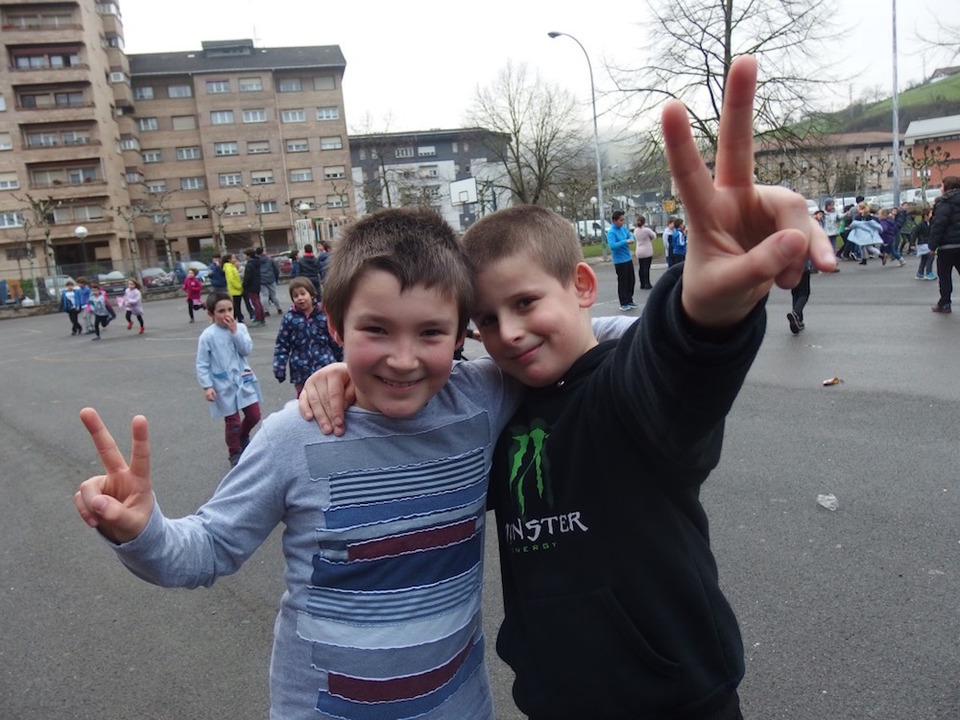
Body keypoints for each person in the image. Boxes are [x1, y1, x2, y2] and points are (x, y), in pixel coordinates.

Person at [300, 54, 835, 720]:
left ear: (582, 286)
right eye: (486, 320)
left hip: (676, 702)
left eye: (526, 303)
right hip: (554, 704)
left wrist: (707, 308)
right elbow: (430, 429)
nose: (509, 332)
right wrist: (359, 376)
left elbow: (677, 362)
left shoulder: (626, 393)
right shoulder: (503, 408)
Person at [73, 208, 552, 720]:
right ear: (335, 325)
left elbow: (597, 341)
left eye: (431, 332)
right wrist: (141, 532)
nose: (403, 358)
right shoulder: (294, 437)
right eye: (376, 329)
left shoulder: (482, 399)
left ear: (461, 334)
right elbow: (208, 548)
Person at [195, 290, 262, 466]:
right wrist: (207, 386)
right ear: (211, 314)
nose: (227, 314)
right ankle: (235, 452)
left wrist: (235, 332)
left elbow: (246, 350)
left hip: (243, 380)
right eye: (221, 311)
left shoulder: (240, 328)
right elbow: (202, 363)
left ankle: (243, 435)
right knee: (232, 422)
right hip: (223, 385)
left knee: (254, 415)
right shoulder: (208, 336)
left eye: (230, 309)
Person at [272, 277, 342, 398]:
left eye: (303, 293)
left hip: (324, 366)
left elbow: (334, 339)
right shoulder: (290, 318)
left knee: (327, 397)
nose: (300, 298)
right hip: (301, 371)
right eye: (295, 296)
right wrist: (279, 367)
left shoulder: (323, 314)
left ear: (312, 294)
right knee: (305, 400)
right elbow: (282, 344)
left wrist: (340, 358)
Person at [929, 175, 960, 313]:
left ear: (947, 187)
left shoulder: (944, 203)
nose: (941, 188)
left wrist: (932, 245)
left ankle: (945, 303)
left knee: (945, 276)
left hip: (947, 246)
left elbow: (938, 225)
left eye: (942, 186)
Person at [606, 209, 636, 311]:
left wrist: (631, 239)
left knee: (631, 280)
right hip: (619, 261)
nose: (622, 222)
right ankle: (623, 303)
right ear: (614, 221)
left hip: (628, 258)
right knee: (623, 282)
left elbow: (630, 235)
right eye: (620, 220)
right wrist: (625, 242)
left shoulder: (623, 229)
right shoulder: (611, 232)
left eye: (623, 220)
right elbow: (612, 246)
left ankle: (630, 299)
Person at [257, 247, 284, 316]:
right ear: (263, 252)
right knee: (274, 294)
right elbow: (275, 269)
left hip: (261, 279)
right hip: (271, 278)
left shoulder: (257, 261)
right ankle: (279, 308)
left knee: (264, 296)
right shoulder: (269, 259)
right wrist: (276, 277)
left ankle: (266, 311)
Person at [242, 248, 265, 326]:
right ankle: (261, 317)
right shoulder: (257, 262)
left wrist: (244, 285)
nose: (244, 256)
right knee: (258, 301)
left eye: (244, 255)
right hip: (257, 284)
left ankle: (258, 319)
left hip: (251, 286)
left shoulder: (249, 264)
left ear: (248, 255)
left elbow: (247, 277)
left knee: (255, 303)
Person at [912, 207, 935, 280]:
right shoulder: (920, 225)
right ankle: (928, 272)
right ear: (926, 215)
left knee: (924, 258)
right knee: (931, 256)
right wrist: (912, 243)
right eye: (930, 214)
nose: (932, 215)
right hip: (923, 243)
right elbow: (914, 233)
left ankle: (920, 273)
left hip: (927, 243)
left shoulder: (930, 223)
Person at [634, 215, 656, 290]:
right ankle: (647, 283)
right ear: (644, 222)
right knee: (646, 267)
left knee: (641, 267)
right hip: (646, 250)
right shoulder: (646, 230)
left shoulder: (635, 230)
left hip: (639, 250)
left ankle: (642, 283)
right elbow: (653, 236)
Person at [222, 252, 244, 322]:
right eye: (233, 258)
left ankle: (236, 318)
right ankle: (237, 319)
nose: (235, 259)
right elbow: (231, 279)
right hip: (234, 289)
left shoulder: (232, 266)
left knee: (236, 305)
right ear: (229, 260)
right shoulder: (229, 268)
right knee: (236, 306)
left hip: (236, 289)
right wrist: (239, 286)